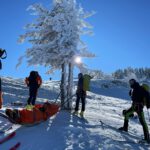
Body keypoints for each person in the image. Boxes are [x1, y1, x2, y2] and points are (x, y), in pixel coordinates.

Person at [119, 79, 150, 143]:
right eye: (130, 82)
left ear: (135, 82)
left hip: (139, 107)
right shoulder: (134, 88)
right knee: (126, 114)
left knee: (143, 122)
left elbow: (147, 95)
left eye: (132, 82)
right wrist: (131, 93)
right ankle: (125, 128)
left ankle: (147, 137)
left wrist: (148, 104)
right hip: (134, 106)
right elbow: (134, 96)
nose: (130, 83)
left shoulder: (139, 88)